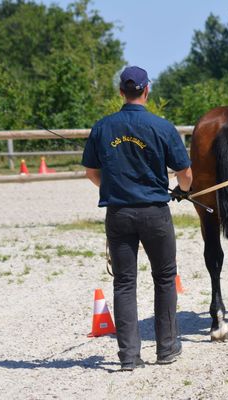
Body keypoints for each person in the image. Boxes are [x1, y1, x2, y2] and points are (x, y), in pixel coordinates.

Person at [82, 65, 192, 371]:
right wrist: (183, 191)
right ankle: (167, 349)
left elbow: (91, 171)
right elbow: (185, 172)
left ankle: (129, 357)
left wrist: (113, 188)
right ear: (147, 90)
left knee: (124, 283)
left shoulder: (103, 127)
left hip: (118, 213)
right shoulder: (162, 127)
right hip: (155, 212)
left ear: (121, 91)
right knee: (165, 278)